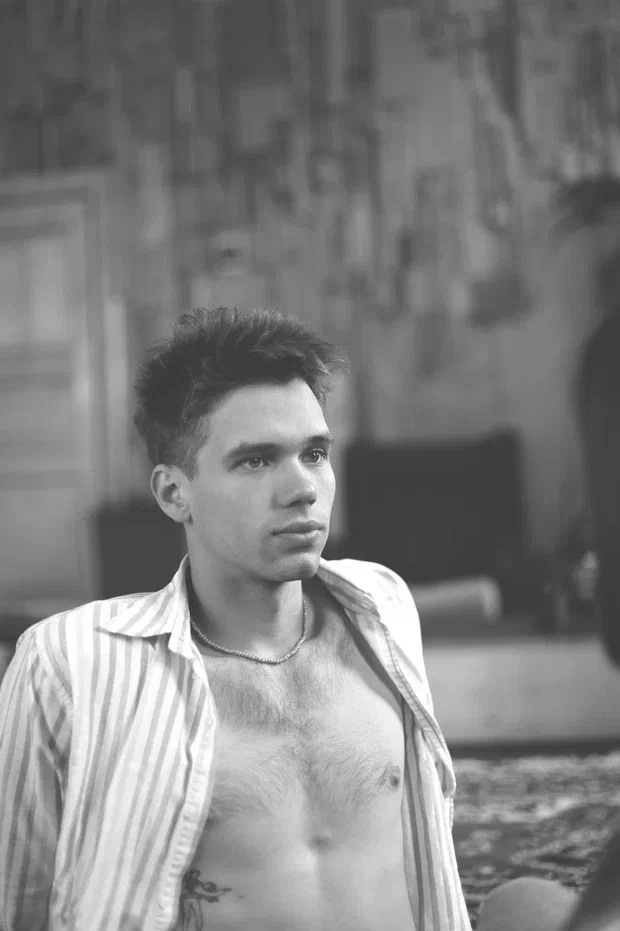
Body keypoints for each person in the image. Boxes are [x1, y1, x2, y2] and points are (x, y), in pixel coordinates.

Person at [0, 306, 471, 930]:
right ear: (174, 493)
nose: (302, 488)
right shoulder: (68, 663)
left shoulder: (382, 606)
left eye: (315, 453)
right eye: (256, 460)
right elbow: (20, 900)